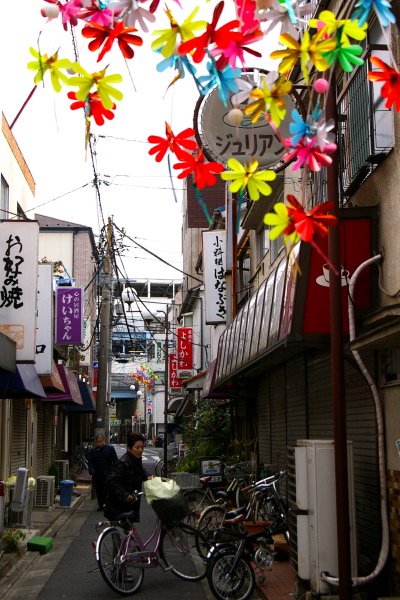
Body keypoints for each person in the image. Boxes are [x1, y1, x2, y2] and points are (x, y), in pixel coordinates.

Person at [104, 432, 152, 521]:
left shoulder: (135, 460)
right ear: (129, 448)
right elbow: (111, 480)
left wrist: (147, 476)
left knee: (129, 531)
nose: (140, 450)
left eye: (142, 447)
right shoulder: (123, 462)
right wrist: (124, 494)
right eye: (137, 447)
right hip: (120, 505)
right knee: (124, 530)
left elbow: (140, 471)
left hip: (130, 503)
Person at [88, 434, 118, 511]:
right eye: (98, 442)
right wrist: (92, 471)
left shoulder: (110, 448)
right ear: (96, 442)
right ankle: (101, 505)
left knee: (107, 490)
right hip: (97, 474)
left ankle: (106, 504)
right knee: (99, 490)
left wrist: (114, 471)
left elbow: (115, 460)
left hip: (107, 473)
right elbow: (90, 462)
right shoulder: (93, 450)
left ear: (104, 441)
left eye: (101, 441)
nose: (100, 443)